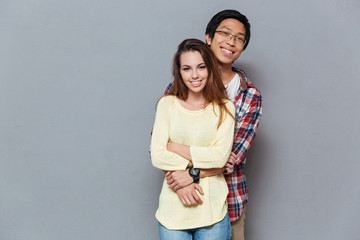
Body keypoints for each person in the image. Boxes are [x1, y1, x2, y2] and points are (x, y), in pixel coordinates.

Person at [163, 10, 263, 240]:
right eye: (225, 33)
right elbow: (159, 144)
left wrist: (191, 174)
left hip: (228, 206)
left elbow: (230, 157)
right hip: (181, 201)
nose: (231, 41)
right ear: (208, 37)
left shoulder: (249, 96)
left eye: (239, 38)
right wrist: (183, 182)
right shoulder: (181, 85)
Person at [151, 38, 235, 239]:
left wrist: (175, 147)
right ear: (179, 72)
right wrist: (186, 181)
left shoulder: (224, 108)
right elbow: (157, 156)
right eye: (187, 68)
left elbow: (219, 158)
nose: (195, 75)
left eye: (201, 67)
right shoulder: (167, 105)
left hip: (212, 212)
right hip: (173, 212)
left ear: (210, 69)